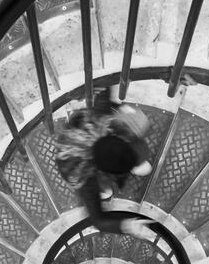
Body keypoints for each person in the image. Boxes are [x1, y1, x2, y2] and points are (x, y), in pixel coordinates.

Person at [52, 98, 154, 237]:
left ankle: (107, 191)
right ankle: (105, 192)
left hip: (81, 142)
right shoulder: (86, 181)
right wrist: (127, 225)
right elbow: (98, 220)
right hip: (72, 165)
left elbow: (104, 93)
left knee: (141, 170)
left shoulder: (100, 121)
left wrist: (119, 106)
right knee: (105, 193)